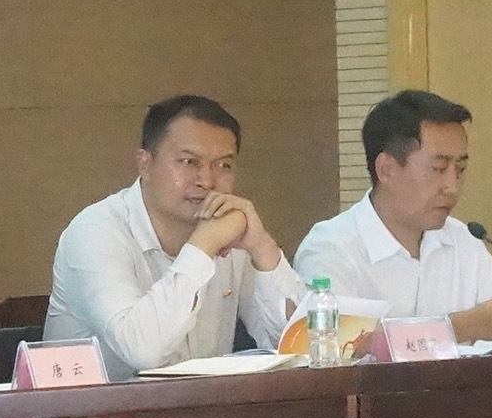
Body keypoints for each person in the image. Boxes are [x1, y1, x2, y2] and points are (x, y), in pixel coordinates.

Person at [45, 95, 302, 380]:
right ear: (145, 165)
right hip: (93, 408)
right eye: (189, 162)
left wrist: (262, 246)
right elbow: (141, 351)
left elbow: (302, 345)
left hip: (201, 405)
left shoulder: (228, 231)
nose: (207, 181)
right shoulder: (94, 233)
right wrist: (202, 247)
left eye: (223, 165)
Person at [295, 90, 492, 342]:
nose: (452, 187)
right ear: (386, 169)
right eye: (438, 168)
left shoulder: (465, 240)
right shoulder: (331, 249)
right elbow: (336, 346)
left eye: (460, 169)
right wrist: (459, 328)